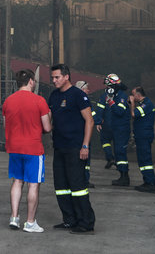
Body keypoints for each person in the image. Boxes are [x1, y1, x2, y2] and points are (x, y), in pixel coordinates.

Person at [48, 63, 96, 234]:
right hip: (59, 148)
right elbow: (48, 120)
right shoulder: (53, 96)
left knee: (78, 187)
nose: (54, 81)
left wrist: (85, 146)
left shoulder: (78, 95)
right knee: (61, 186)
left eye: (57, 77)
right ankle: (69, 219)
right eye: (52, 78)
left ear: (66, 77)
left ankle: (86, 222)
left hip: (76, 148)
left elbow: (89, 121)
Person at [2, 69, 52, 233]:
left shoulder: (8, 101)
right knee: (33, 185)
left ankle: (14, 218)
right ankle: (30, 222)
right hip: (33, 148)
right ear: (31, 81)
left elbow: (5, 126)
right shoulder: (39, 101)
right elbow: (47, 127)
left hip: (14, 148)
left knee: (17, 181)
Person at [104, 74, 131, 186]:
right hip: (117, 129)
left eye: (108, 85)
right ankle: (122, 175)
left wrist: (111, 102)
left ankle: (124, 177)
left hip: (122, 130)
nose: (107, 88)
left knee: (121, 153)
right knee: (118, 153)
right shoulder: (116, 96)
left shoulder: (121, 97)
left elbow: (119, 111)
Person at [129, 86, 155, 193]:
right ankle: (147, 181)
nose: (132, 96)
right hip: (141, 135)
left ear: (138, 95)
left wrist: (132, 103)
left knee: (146, 160)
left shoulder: (147, 104)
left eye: (133, 94)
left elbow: (133, 114)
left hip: (144, 135)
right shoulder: (142, 104)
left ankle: (151, 183)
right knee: (142, 160)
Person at [75, 80, 94, 188]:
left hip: (79, 133)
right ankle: (84, 180)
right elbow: (90, 118)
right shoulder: (84, 100)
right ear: (82, 89)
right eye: (87, 89)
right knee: (84, 159)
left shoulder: (74, 99)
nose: (88, 91)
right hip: (83, 134)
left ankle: (82, 179)